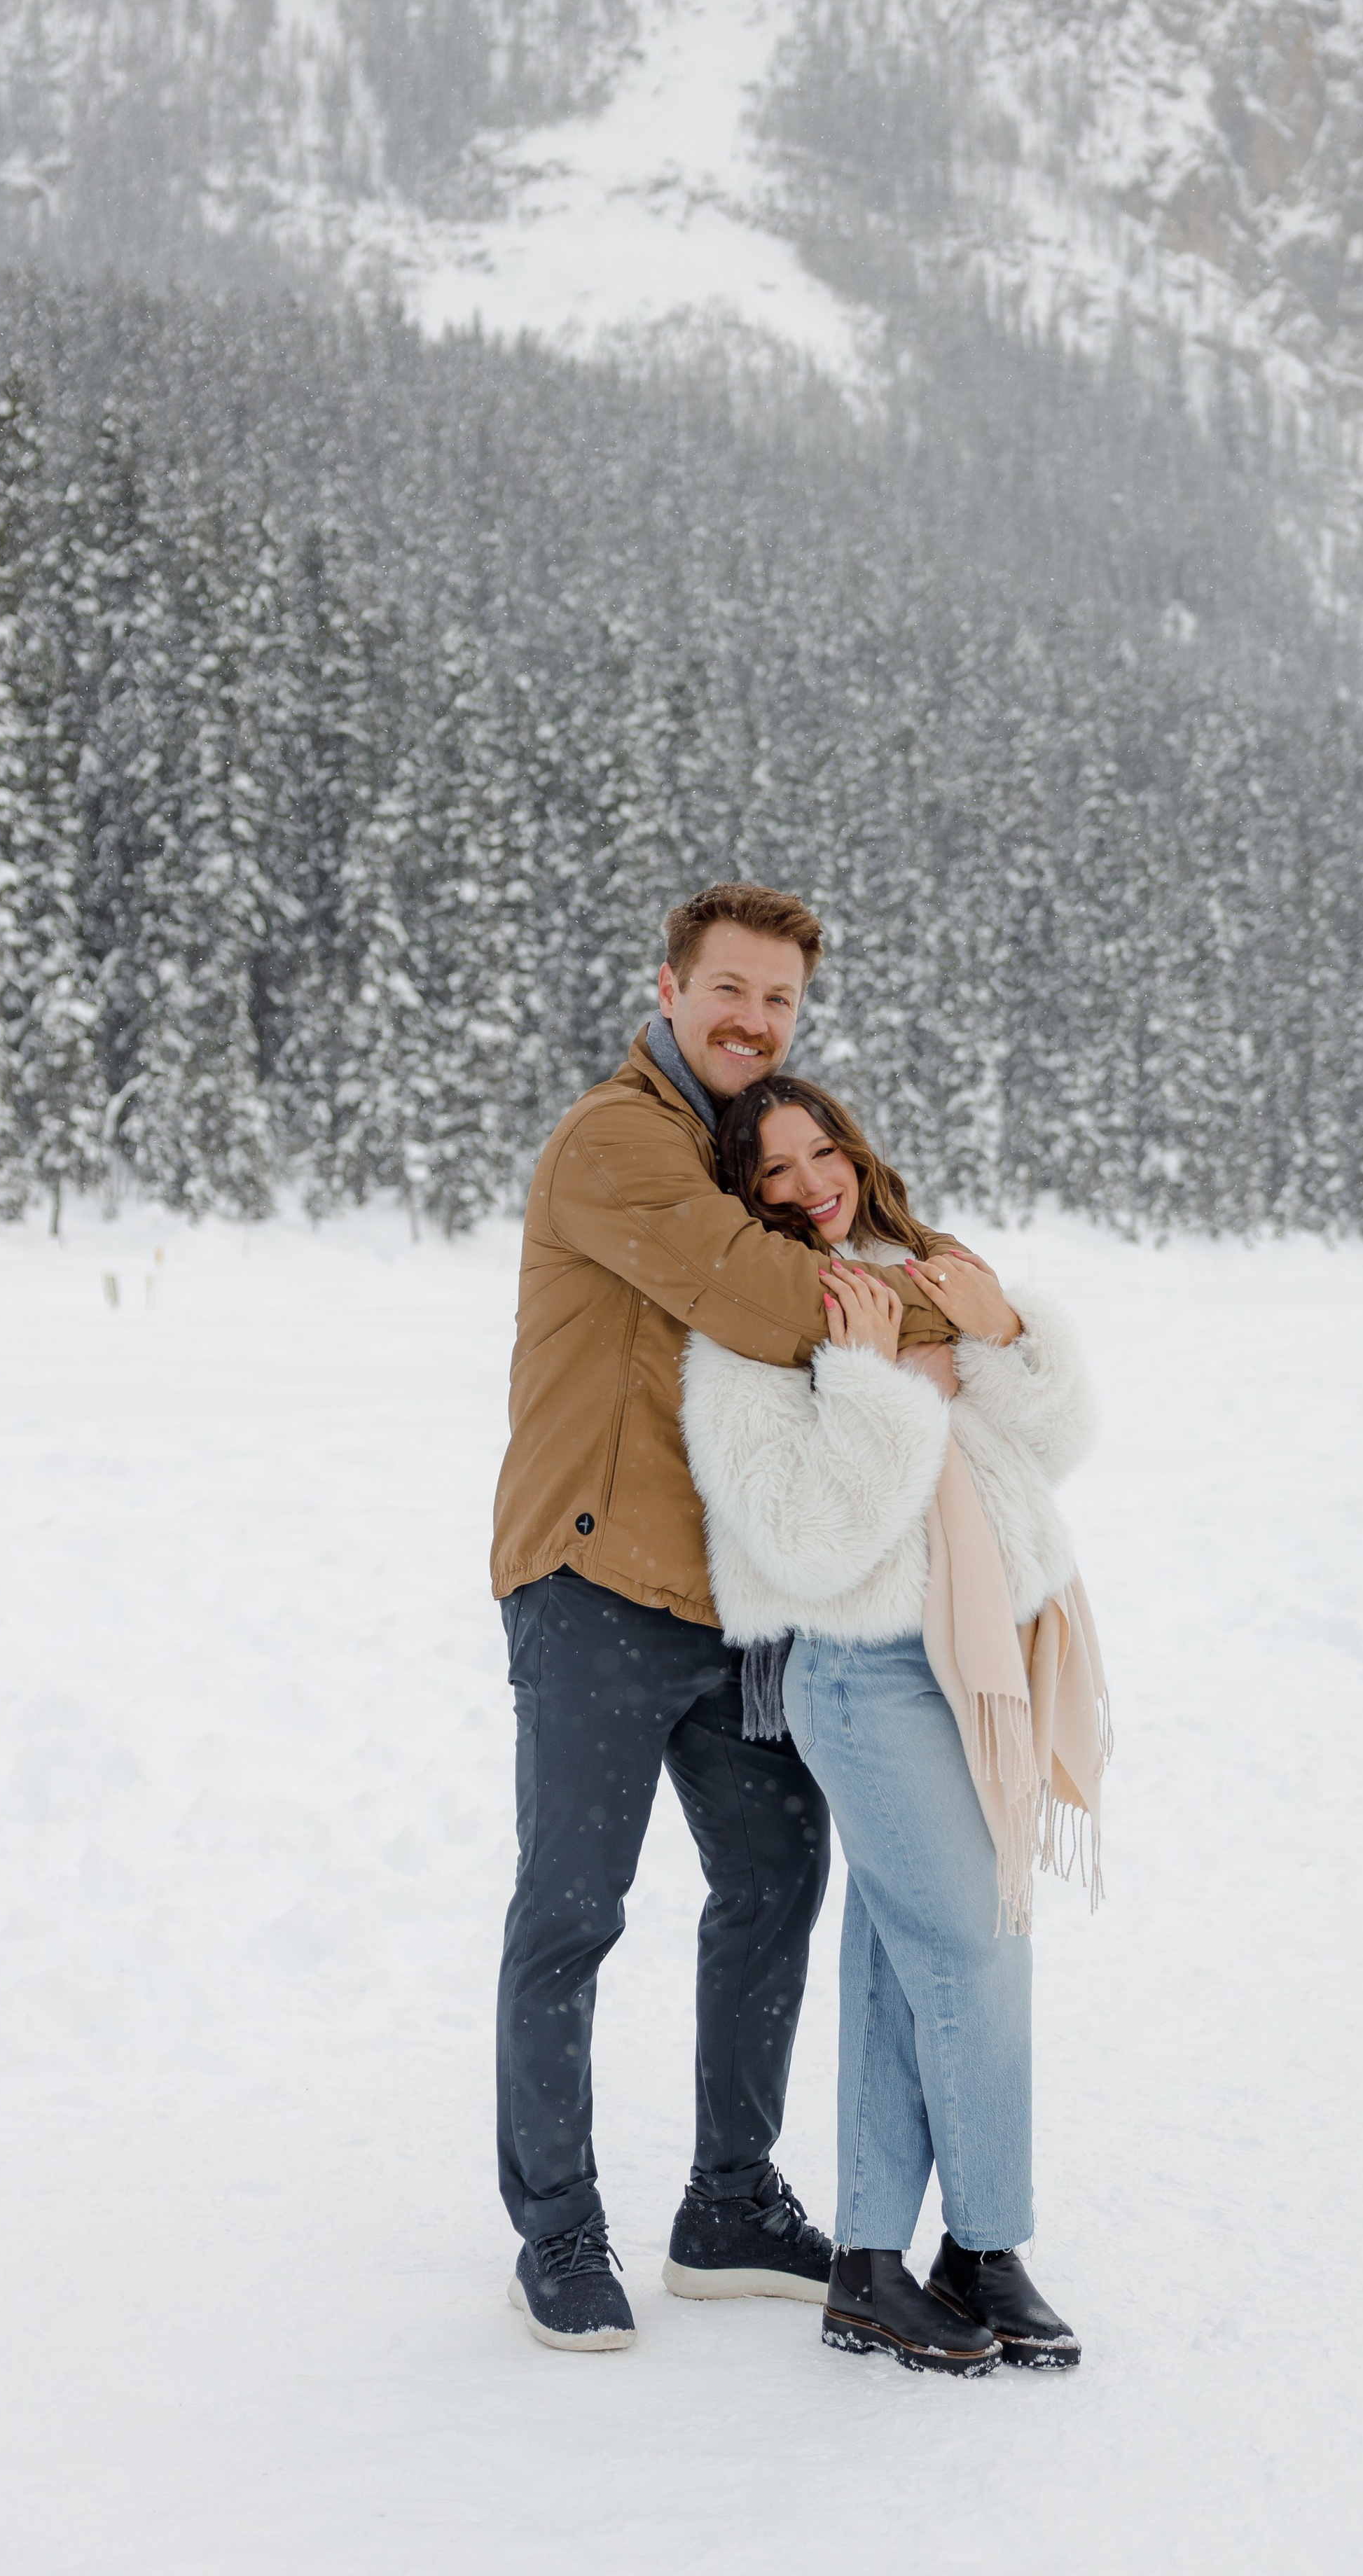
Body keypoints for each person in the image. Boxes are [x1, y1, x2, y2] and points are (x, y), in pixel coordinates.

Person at [492, 885, 962, 2353]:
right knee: (572, 1910)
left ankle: (730, 2199)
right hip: (591, 1585)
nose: (756, 1021)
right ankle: (559, 2232)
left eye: (781, 1003)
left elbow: (843, 1241)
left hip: (730, 1601)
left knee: (773, 1877)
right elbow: (774, 1296)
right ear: (670, 987)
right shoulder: (619, 1141)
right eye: (732, 992)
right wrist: (941, 1305)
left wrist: (936, 1294)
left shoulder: (741, 1146)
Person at [681, 1072, 1107, 2377]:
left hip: (963, 1662)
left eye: (825, 1152)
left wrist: (1006, 1333)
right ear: (743, 1198)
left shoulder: (923, 1274)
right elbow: (808, 1541)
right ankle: (984, 2245)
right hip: (862, 1678)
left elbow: (1052, 1444)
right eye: (775, 1171)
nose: (813, 1181)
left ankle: (869, 2266)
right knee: (978, 1944)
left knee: (896, 1959)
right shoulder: (744, 1333)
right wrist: (874, 1386)